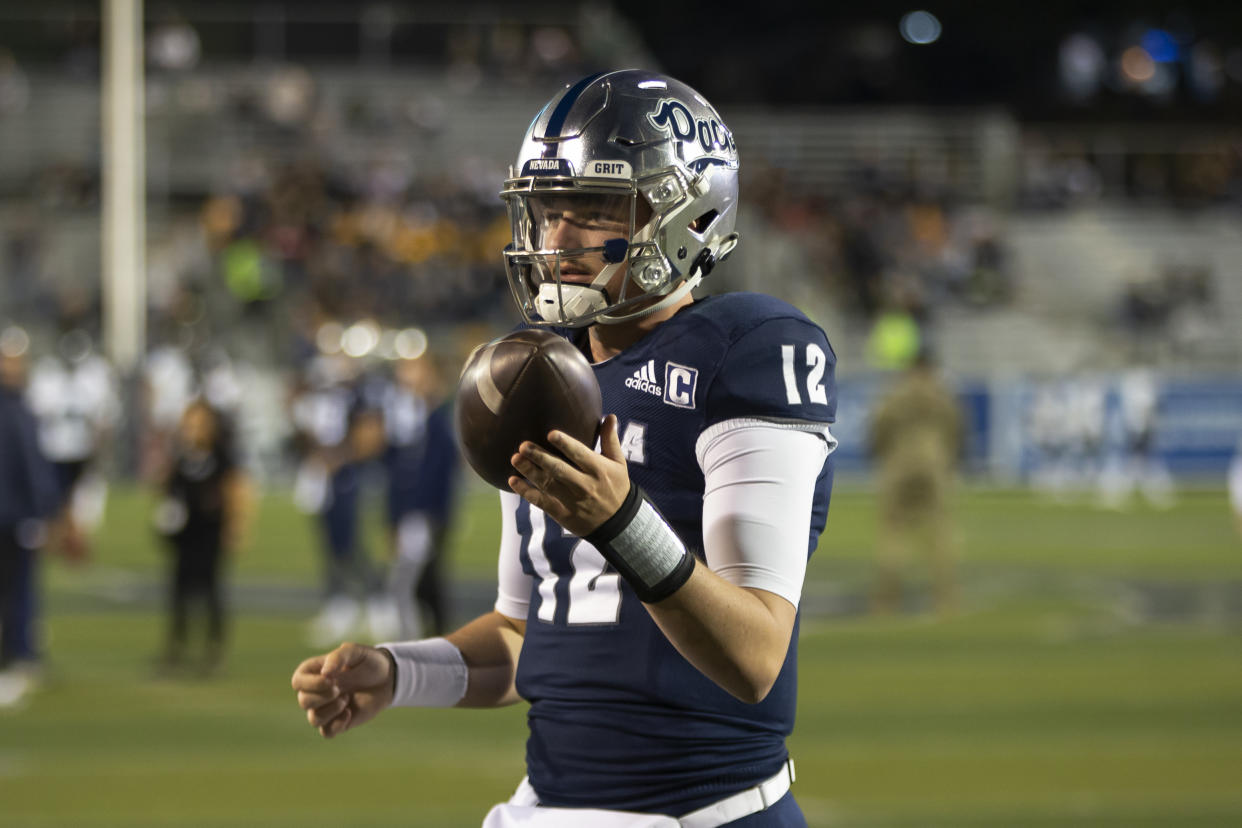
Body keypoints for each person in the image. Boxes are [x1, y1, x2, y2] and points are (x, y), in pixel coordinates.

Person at [292, 70, 838, 827]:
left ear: (685, 212)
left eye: (592, 209)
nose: (557, 238)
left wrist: (623, 525)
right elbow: (525, 637)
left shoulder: (748, 351)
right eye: (548, 211)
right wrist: (397, 671)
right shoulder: (545, 372)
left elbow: (754, 656)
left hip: (701, 813)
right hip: (546, 807)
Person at [153, 397, 252, 675]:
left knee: (211, 591)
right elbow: (167, 489)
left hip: (210, 532)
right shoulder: (180, 456)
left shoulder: (220, 456)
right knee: (178, 591)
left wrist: (236, 527)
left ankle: (214, 648)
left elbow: (236, 489)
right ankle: (176, 645)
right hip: (184, 535)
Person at [867, 349, 962, 615]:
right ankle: (945, 597)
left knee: (893, 532)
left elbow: (878, 428)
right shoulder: (941, 395)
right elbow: (956, 430)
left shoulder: (895, 394)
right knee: (938, 532)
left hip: (899, 463)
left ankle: (886, 599)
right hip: (933, 464)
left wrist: (883, 454)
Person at [0, 327, 61, 706]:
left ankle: (17, 653)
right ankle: (18, 656)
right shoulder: (17, 409)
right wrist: (43, 510)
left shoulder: (22, 405)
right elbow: (33, 466)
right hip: (13, 516)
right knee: (18, 589)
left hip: (15, 514)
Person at [381, 351, 460, 639]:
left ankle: (422, 640)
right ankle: (434, 637)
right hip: (412, 511)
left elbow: (436, 472)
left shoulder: (437, 419)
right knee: (421, 581)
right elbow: (396, 469)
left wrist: (426, 513)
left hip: (425, 512)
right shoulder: (406, 418)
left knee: (414, 582)